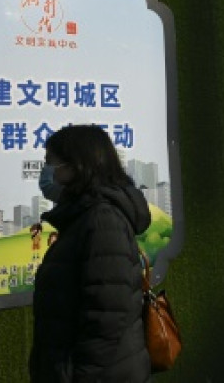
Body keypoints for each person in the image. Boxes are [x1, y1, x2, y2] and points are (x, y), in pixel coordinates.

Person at [30, 125, 152, 383]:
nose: (45, 171)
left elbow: (108, 315)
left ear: (76, 166)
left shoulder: (102, 220)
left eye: (50, 162)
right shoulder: (83, 216)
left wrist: (81, 377)